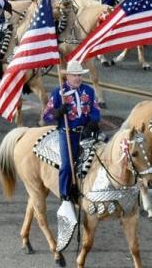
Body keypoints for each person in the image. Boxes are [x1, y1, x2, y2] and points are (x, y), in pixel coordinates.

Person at [41, 60, 101, 222]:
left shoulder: (88, 90)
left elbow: (95, 110)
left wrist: (93, 122)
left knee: (103, 155)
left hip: (86, 132)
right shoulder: (59, 93)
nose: (78, 78)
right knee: (67, 165)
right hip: (68, 134)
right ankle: (65, 196)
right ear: (67, 76)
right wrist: (58, 112)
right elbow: (46, 116)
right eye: (74, 75)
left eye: (80, 75)